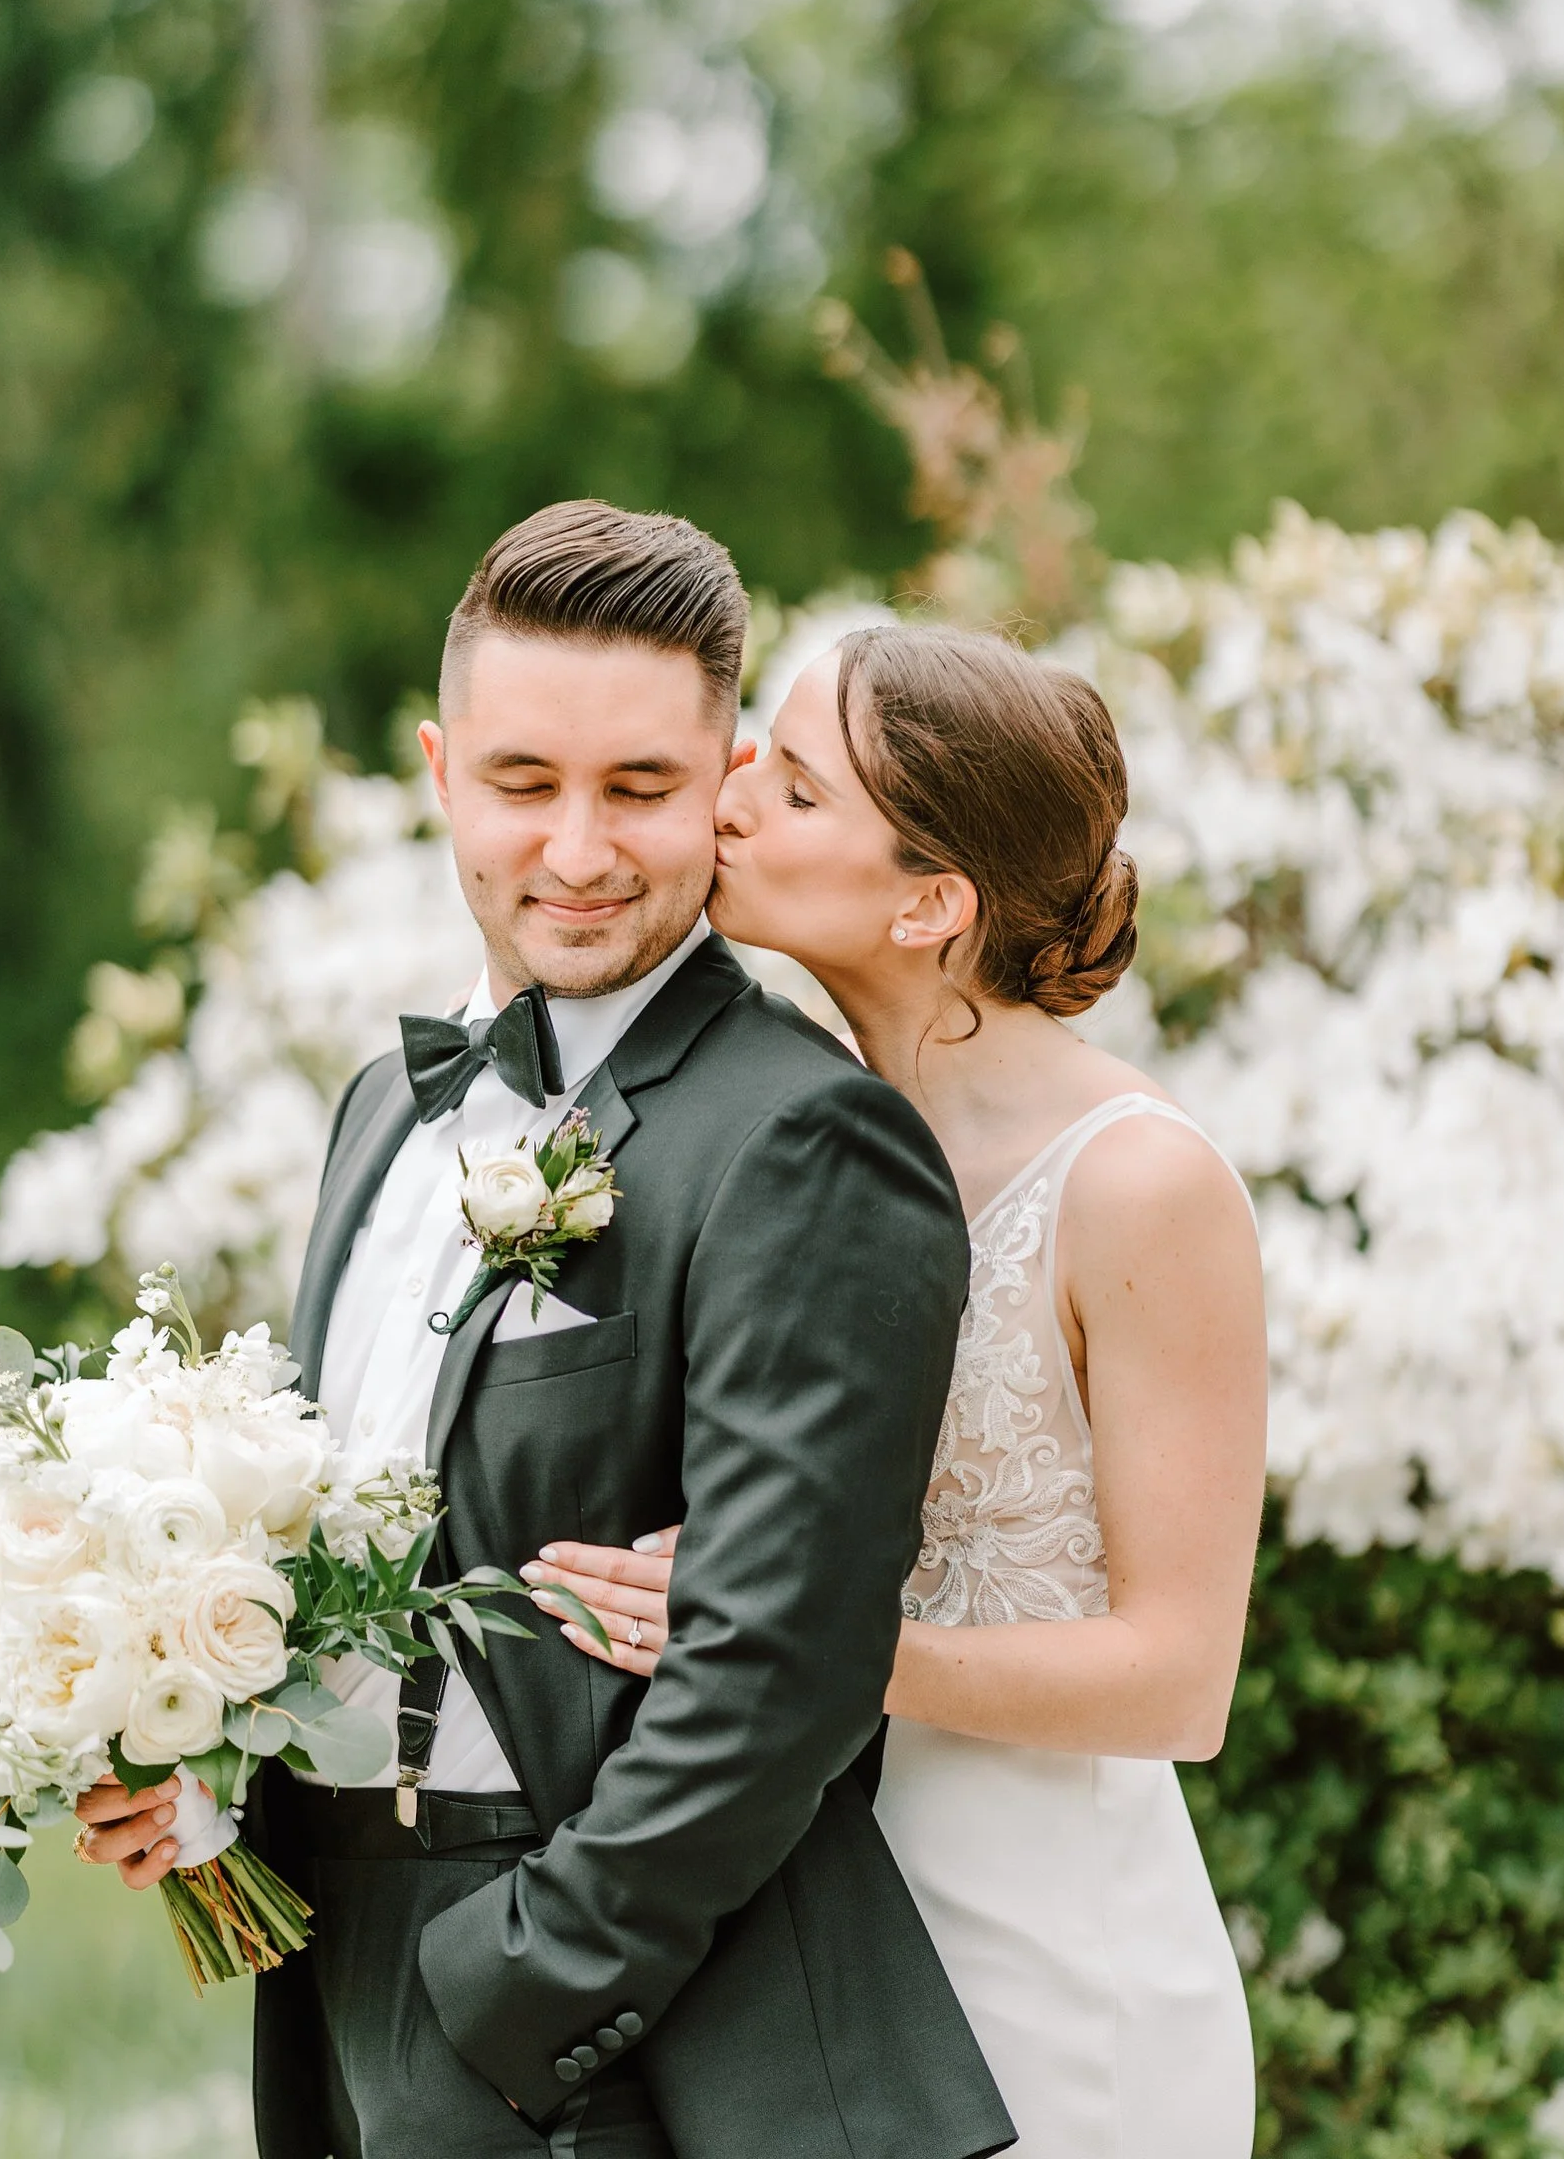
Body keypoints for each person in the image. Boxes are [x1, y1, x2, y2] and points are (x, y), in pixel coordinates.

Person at [75, 504, 1015, 2159]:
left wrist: (512, 2000)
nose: (577, 852)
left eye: (640, 790)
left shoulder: (804, 1139)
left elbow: (782, 1677)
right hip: (331, 1977)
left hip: (620, 2041)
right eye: (523, 784)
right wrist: (202, 1778)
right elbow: (351, 1518)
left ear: (726, 779)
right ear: (443, 771)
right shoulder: (382, 1110)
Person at [527, 622, 1266, 2159]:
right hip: (810, 1968)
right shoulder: (790, 1133)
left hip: (1052, 1980)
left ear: (931, 901)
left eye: (795, 790)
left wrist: (802, 1650)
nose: (727, 799)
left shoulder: (1140, 1189)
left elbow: (1180, 1680)